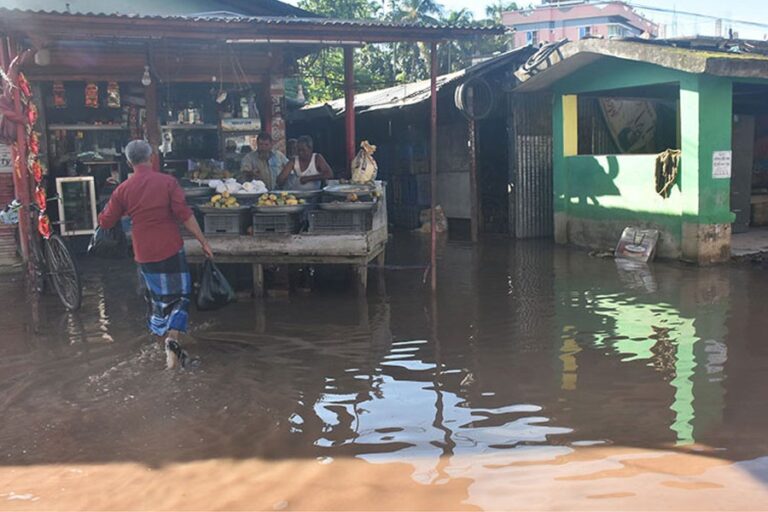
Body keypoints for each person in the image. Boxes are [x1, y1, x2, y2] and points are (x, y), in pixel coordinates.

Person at [98, 140, 213, 370]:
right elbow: (185, 214)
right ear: (152, 158)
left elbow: (105, 221)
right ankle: (173, 339)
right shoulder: (168, 182)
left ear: (129, 162)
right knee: (180, 297)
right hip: (170, 247)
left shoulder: (123, 190)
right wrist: (203, 242)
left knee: (157, 301)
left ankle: (164, 346)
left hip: (144, 253)